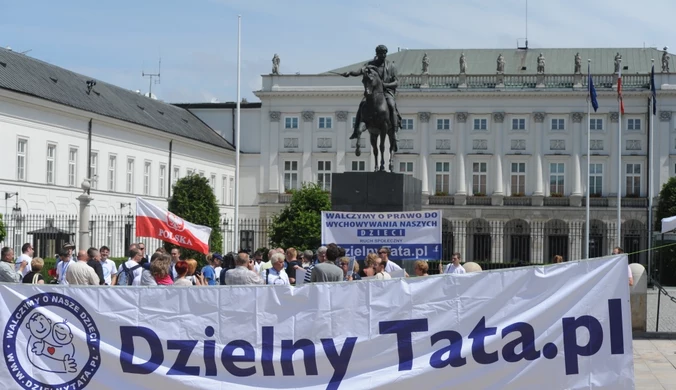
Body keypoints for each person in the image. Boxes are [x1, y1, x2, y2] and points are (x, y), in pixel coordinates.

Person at [343, 44, 401, 142]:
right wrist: (350, 73)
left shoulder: (391, 66)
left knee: (391, 105)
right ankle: (356, 131)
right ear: (377, 53)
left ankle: (394, 131)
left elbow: (396, 82)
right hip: (372, 93)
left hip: (386, 92)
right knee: (361, 105)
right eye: (380, 53)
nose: (383, 55)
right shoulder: (370, 65)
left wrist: (385, 85)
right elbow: (359, 72)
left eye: (384, 53)